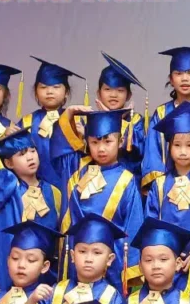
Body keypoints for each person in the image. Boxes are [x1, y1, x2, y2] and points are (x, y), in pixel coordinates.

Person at [61, 108, 143, 285]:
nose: (101, 148)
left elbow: (133, 225)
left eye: (108, 141)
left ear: (120, 141)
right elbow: (62, 146)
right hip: (79, 254)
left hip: (113, 258)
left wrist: (129, 267)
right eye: (94, 142)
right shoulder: (77, 170)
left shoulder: (126, 180)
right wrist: (69, 113)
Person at [144, 103, 190, 296]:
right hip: (165, 260)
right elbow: (151, 222)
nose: (183, 151)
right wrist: (163, 255)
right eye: (177, 145)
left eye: (189, 145)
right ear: (169, 148)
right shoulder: (159, 185)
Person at [0, 128, 61, 290]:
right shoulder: (6, 190)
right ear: (9, 163)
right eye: (22, 154)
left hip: (46, 270)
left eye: (33, 151)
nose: (30, 157)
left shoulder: (54, 192)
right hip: (15, 266)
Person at [141, 46, 190, 188]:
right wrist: (161, 186)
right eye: (178, 73)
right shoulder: (161, 113)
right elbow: (153, 152)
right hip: (166, 187)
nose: (185, 78)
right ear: (171, 79)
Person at [16, 57, 84, 205]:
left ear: (66, 92)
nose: (49, 92)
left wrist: (83, 139)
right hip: (36, 191)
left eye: (56, 87)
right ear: (36, 92)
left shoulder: (77, 120)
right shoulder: (27, 122)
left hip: (72, 186)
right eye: (43, 87)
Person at [95, 52, 148, 182]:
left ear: (129, 95)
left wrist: (113, 120)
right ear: (99, 93)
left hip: (129, 182)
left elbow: (136, 149)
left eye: (120, 90)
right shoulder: (92, 120)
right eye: (107, 89)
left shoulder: (136, 122)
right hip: (99, 181)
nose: (113, 95)